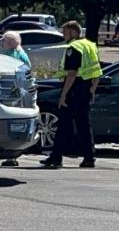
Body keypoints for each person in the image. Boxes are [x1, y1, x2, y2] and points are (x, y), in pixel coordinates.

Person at [42, 21, 103, 169]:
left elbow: (72, 73)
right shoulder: (90, 45)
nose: (63, 35)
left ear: (74, 32)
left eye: (65, 32)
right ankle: (89, 157)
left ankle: (56, 158)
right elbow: (97, 71)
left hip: (74, 89)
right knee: (84, 125)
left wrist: (64, 94)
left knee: (63, 123)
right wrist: (92, 90)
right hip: (86, 89)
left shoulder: (74, 47)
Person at [0, 31, 30, 167]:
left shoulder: (11, 55)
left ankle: (11, 156)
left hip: (13, 93)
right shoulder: (22, 53)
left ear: (10, 43)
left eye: (3, 41)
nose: (1, 43)